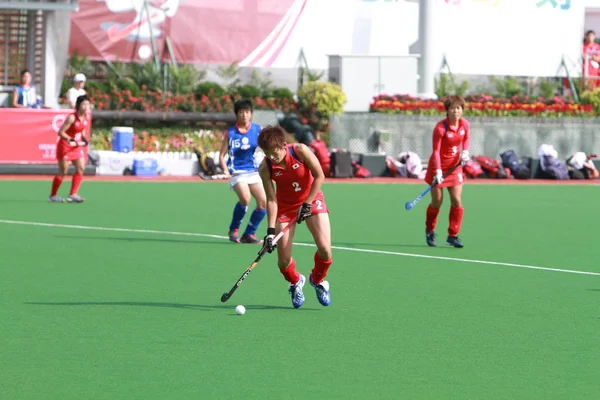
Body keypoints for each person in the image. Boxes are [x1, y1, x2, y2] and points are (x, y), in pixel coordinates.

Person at [257, 126, 332, 308]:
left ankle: (317, 279)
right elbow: (271, 200)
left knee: (325, 249)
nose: (272, 157)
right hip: (286, 207)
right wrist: (270, 232)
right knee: (283, 261)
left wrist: (307, 203)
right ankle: (296, 281)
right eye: (267, 153)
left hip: (311, 199)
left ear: (284, 145)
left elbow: (319, 176)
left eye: (274, 152)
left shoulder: (300, 151)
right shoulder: (265, 168)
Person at [424, 95, 471, 248]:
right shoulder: (440, 128)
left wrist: (465, 152)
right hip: (437, 168)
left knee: (456, 200)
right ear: (447, 110)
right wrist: (437, 171)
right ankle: (430, 230)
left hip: (454, 167)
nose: (455, 112)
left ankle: (453, 235)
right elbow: (436, 151)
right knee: (437, 202)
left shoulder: (465, 125)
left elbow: (466, 139)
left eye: (458, 108)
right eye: (452, 108)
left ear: (462, 110)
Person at [219, 99, 267, 244]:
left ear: (251, 113)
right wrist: (226, 170)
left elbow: (267, 147)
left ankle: (249, 234)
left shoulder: (258, 130)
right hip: (237, 173)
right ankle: (234, 229)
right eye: (241, 112)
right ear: (236, 114)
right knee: (245, 199)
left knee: (263, 203)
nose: (244, 115)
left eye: (247, 112)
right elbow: (222, 155)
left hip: (253, 171)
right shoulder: (230, 133)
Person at [49, 95, 91, 203]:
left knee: (81, 167)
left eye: (88, 104)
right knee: (64, 171)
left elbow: (82, 129)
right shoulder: (72, 117)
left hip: (75, 147)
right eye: (84, 104)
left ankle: (73, 194)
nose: (86, 106)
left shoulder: (86, 117)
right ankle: (53, 195)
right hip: (65, 146)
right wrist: (69, 139)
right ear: (78, 105)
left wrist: (84, 138)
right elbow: (61, 132)